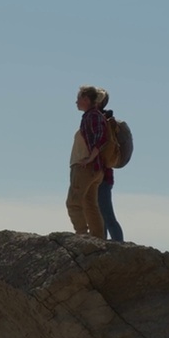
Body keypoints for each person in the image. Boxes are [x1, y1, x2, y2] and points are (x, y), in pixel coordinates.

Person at [66, 86, 107, 237]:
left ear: (86, 99)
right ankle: (97, 238)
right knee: (90, 205)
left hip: (85, 167)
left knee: (73, 203)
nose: (76, 102)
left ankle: (82, 236)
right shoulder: (93, 116)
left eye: (78, 99)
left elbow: (101, 138)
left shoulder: (92, 116)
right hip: (94, 169)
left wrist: (90, 158)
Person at [96, 93, 124, 242]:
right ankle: (108, 245)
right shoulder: (105, 120)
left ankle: (119, 247)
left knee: (107, 215)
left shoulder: (101, 122)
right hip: (104, 176)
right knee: (102, 215)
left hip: (102, 176)